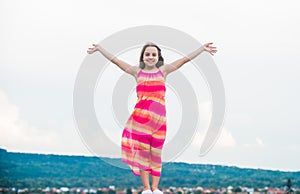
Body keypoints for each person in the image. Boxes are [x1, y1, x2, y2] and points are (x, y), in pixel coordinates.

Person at [87, 42, 217, 194]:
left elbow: (184, 60)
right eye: (147, 54)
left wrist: (201, 49)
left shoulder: (164, 71)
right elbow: (116, 61)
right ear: (142, 57)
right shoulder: (137, 72)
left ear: (158, 57)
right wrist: (100, 49)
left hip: (159, 122)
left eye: (153, 54)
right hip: (140, 121)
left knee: (156, 155)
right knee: (143, 155)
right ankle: (147, 188)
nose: (150, 57)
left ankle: (155, 188)